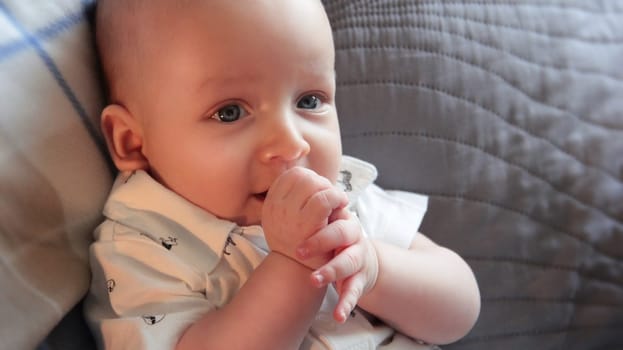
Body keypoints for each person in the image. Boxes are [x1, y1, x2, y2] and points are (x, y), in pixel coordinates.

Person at [85, 0, 481, 349]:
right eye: (230, 112)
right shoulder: (139, 247)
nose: (292, 144)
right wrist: (294, 266)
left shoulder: (338, 198)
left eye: (310, 101)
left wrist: (374, 268)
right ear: (133, 143)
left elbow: (459, 312)